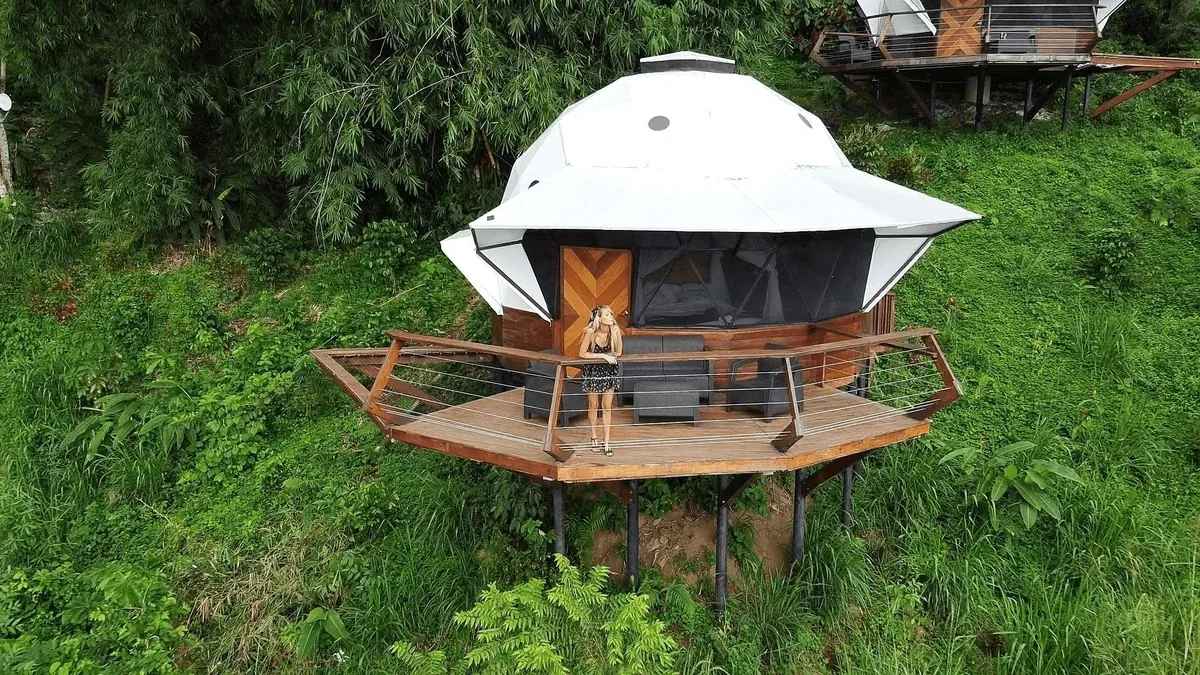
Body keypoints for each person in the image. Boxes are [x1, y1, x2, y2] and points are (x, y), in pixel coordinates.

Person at [579, 305, 622, 456]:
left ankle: (607, 441)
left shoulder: (614, 331)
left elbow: (618, 352)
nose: (611, 317)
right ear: (599, 318)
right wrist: (603, 356)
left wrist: (616, 334)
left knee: (607, 407)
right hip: (593, 372)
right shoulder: (591, 332)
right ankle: (594, 437)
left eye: (611, 314)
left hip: (608, 372)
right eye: (607, 315)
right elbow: (582, 354)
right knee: (593, 405)